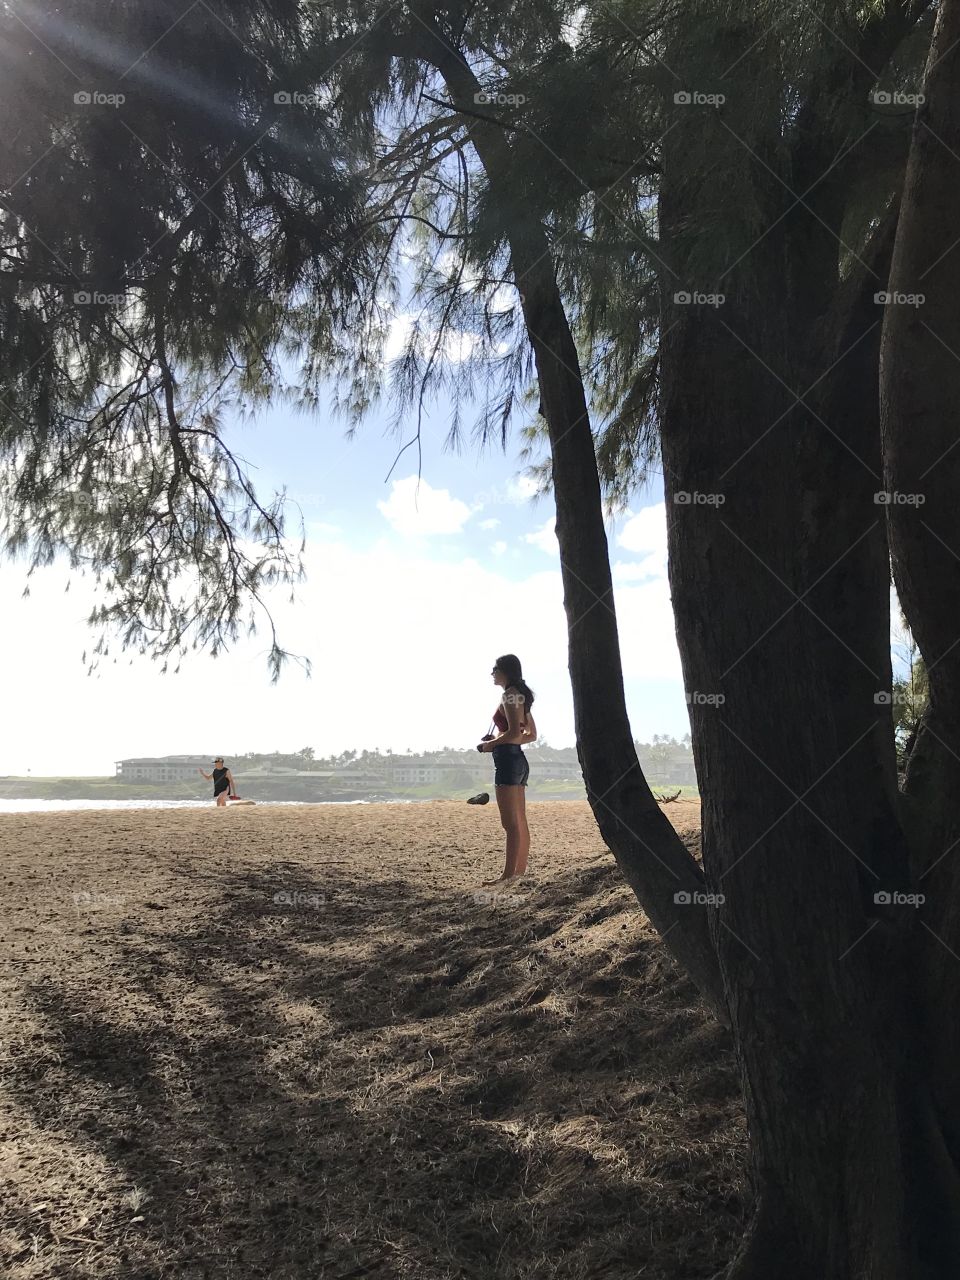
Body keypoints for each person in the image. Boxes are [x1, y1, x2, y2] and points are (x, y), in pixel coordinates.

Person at [476, 654, 537, 881]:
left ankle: (507, 876)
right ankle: (518, 873)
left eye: (495, 669)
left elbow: (513, 733)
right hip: (517, 760)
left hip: (508, 762)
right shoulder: (519, 697)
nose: (492, 673)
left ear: (505, 671)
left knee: (510, 823)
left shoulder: (509, 696)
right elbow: (529, 735)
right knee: (519, 820)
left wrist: (489, 745)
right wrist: (502, 739)